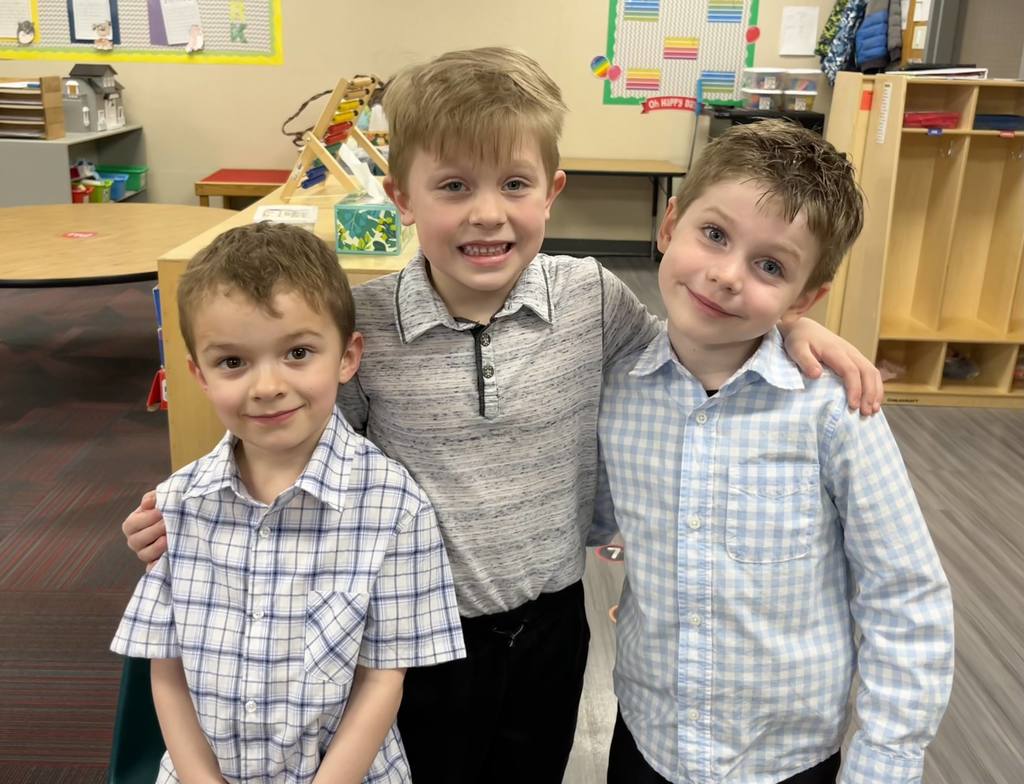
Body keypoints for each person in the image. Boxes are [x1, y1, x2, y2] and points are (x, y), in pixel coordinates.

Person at [121, 48, 884, 784]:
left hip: (553, 624)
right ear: (402, 197)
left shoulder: (592, 299)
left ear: (551, 191)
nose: (488, 214)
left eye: (514, 185)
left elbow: (694, 345)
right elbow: (299, 438)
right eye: (453, 186)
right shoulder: (370, 329)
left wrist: (789, 327)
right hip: (416, 632)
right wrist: (198, 510)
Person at [593, 120, 955, 784]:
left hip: (784, 757)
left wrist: (882, 764)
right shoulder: (618, 383)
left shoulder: (832, 409)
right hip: (650, 734)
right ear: (670, 224)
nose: (726, 275)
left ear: (807, 296)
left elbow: (904, 595)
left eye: (770, 266)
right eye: (714, 234)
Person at [110, 222, 465, 784]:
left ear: (347, 357)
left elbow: (383, 678)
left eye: (297, 352)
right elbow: (166, 667)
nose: (267, 385)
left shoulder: (396, 507)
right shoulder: (179, 503)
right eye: (233, 362)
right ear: (198, 375)